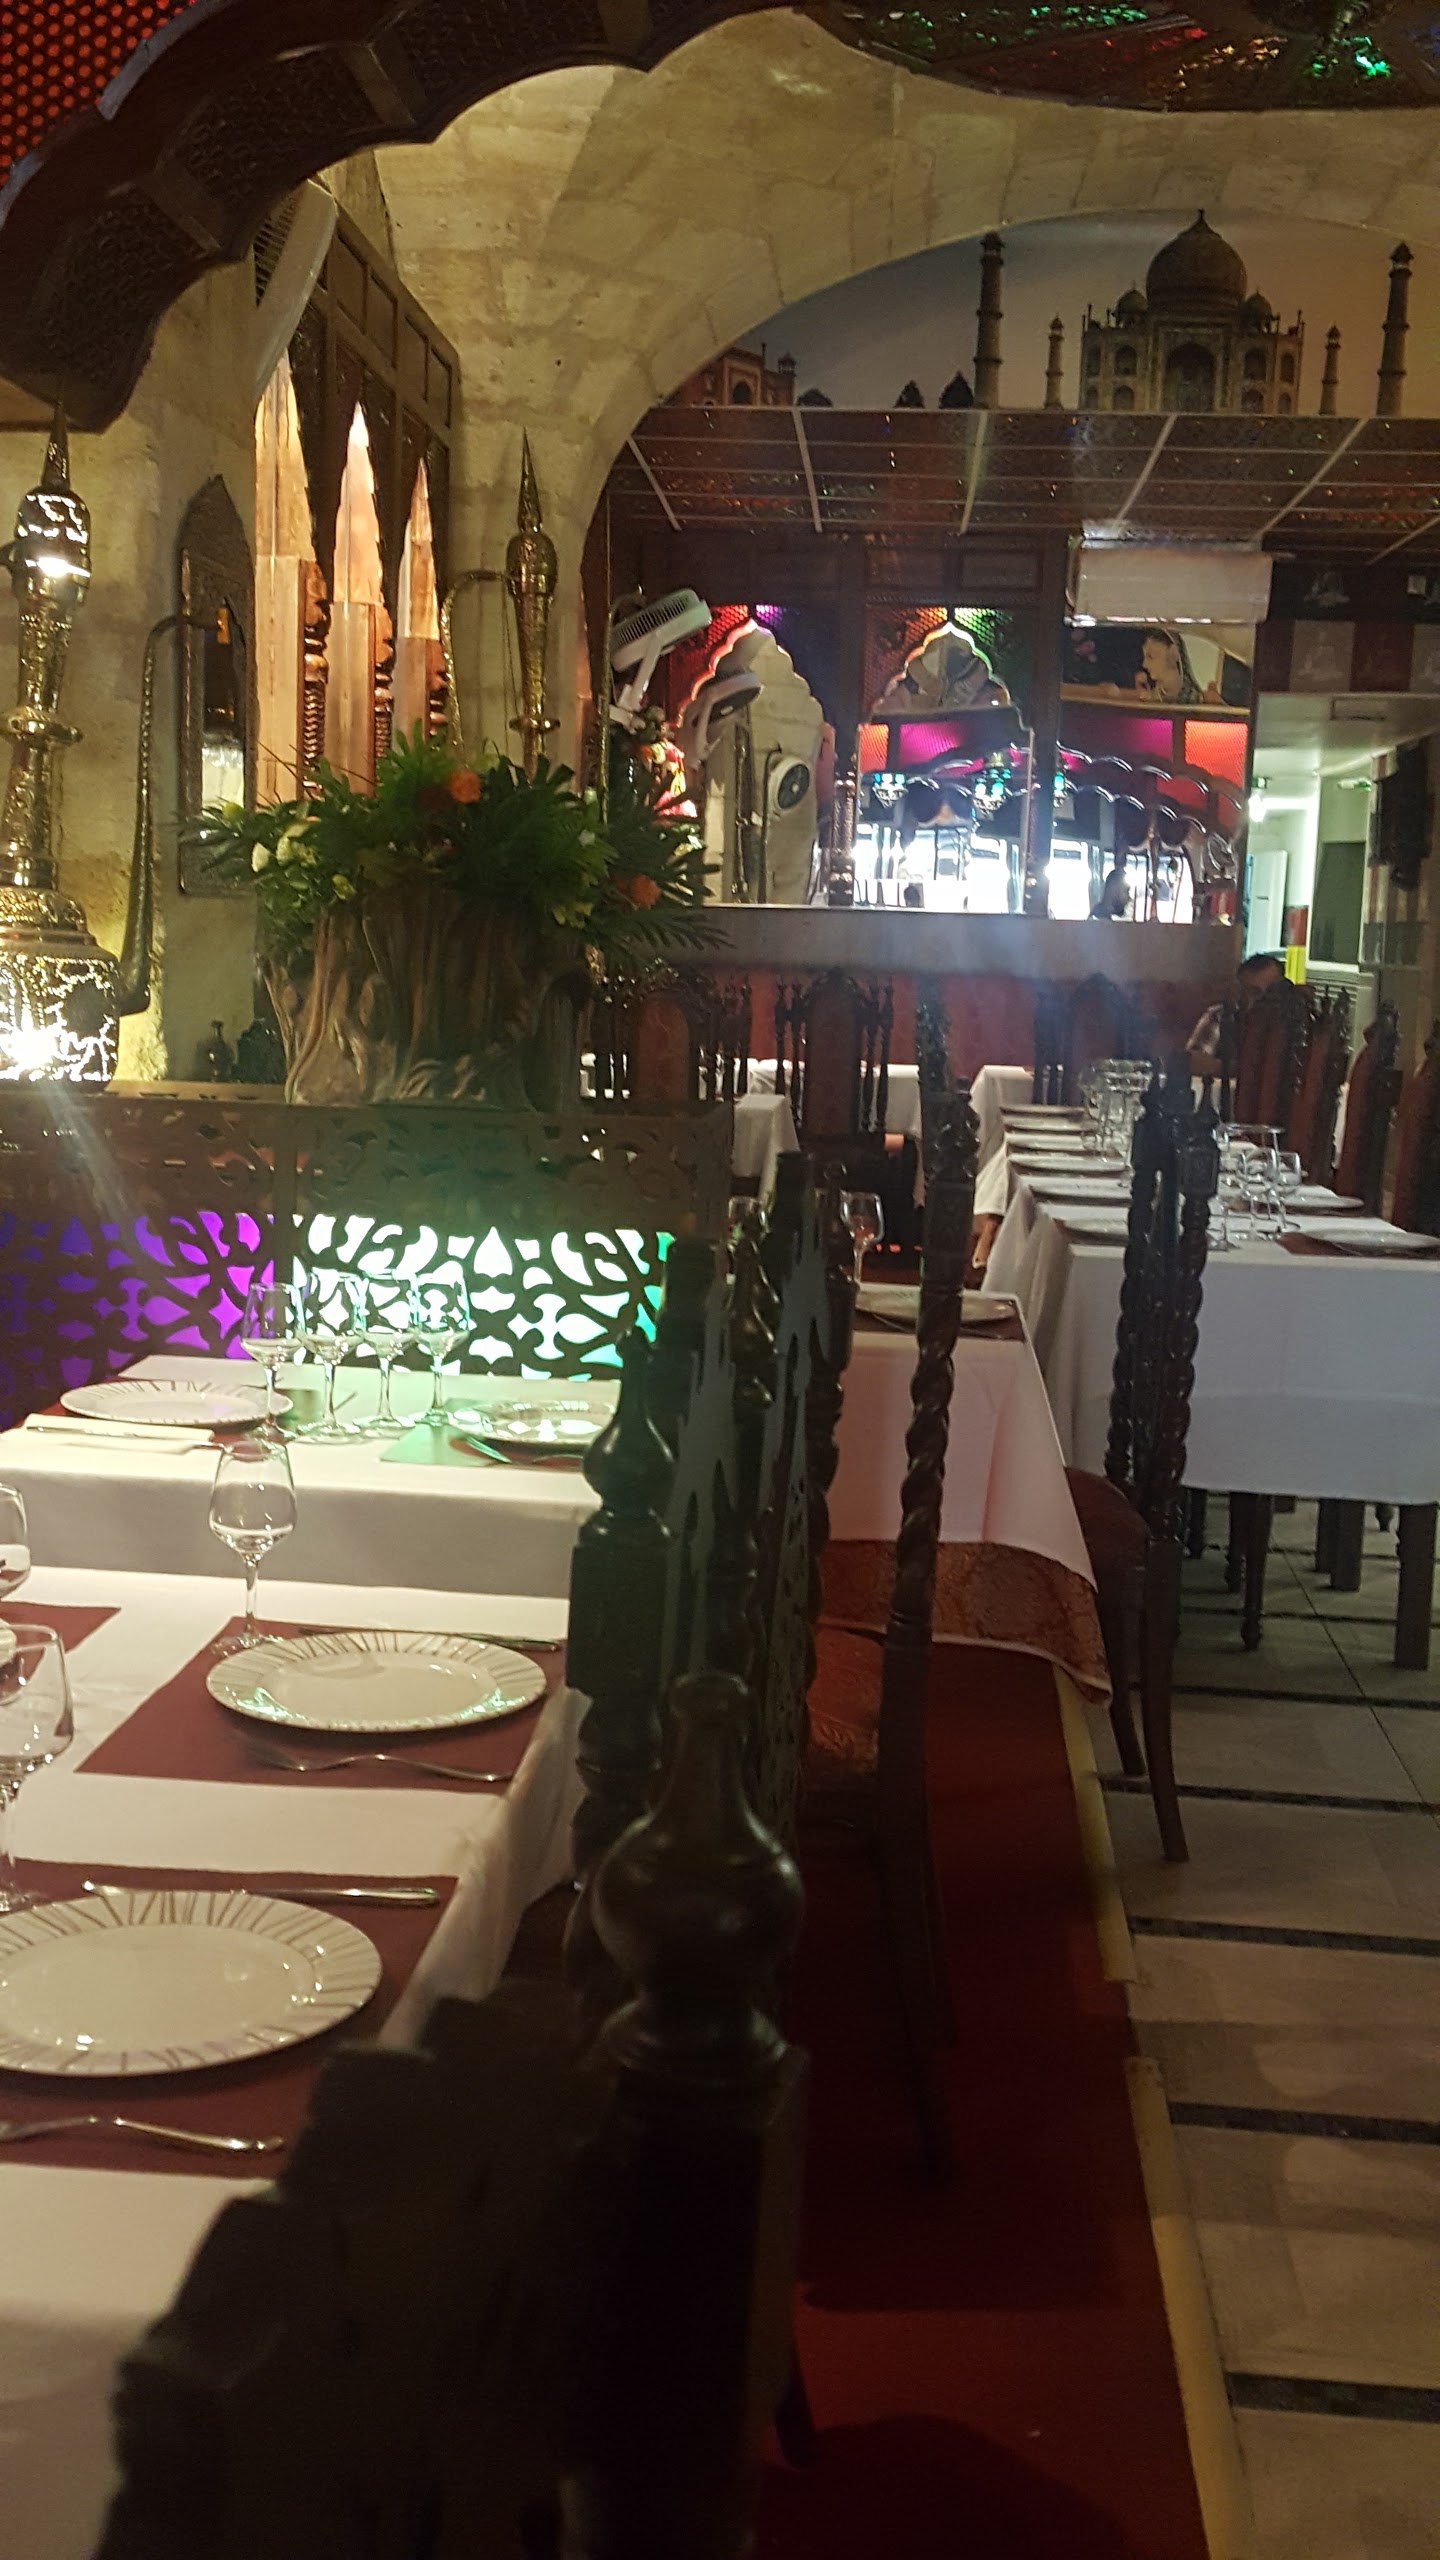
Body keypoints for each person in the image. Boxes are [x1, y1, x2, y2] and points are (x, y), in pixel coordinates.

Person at [1187, 951, 1285, 1076]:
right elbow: (1192, 1062)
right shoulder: (1219, 1015)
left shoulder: (1287, 1024)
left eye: (1257, 993)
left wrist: (1223, 1067)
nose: (1248, 999)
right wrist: (1235, 1069)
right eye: (1243, 991)